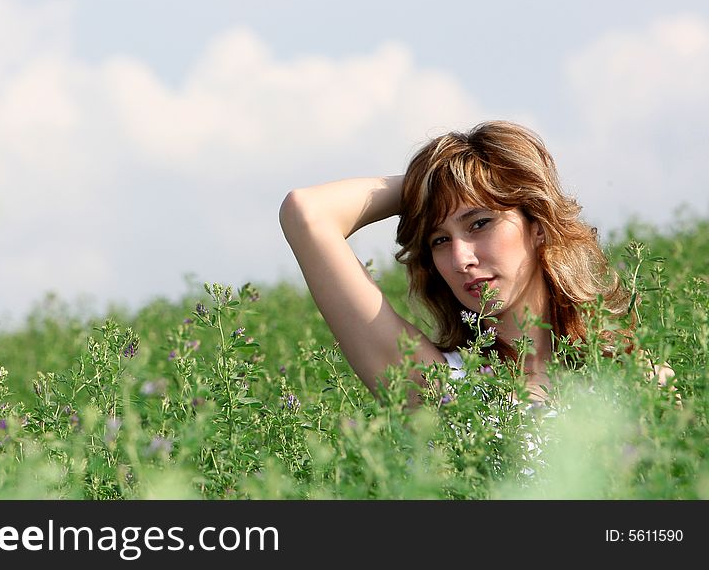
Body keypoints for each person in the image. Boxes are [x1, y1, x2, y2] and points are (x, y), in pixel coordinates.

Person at [279, 120, 675, 406]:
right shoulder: (440, 384)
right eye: (439, 240)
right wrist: (429, 183)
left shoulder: (632, 379)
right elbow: (307, 212)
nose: (460, 258)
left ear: (538, 224)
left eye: (480, 223)